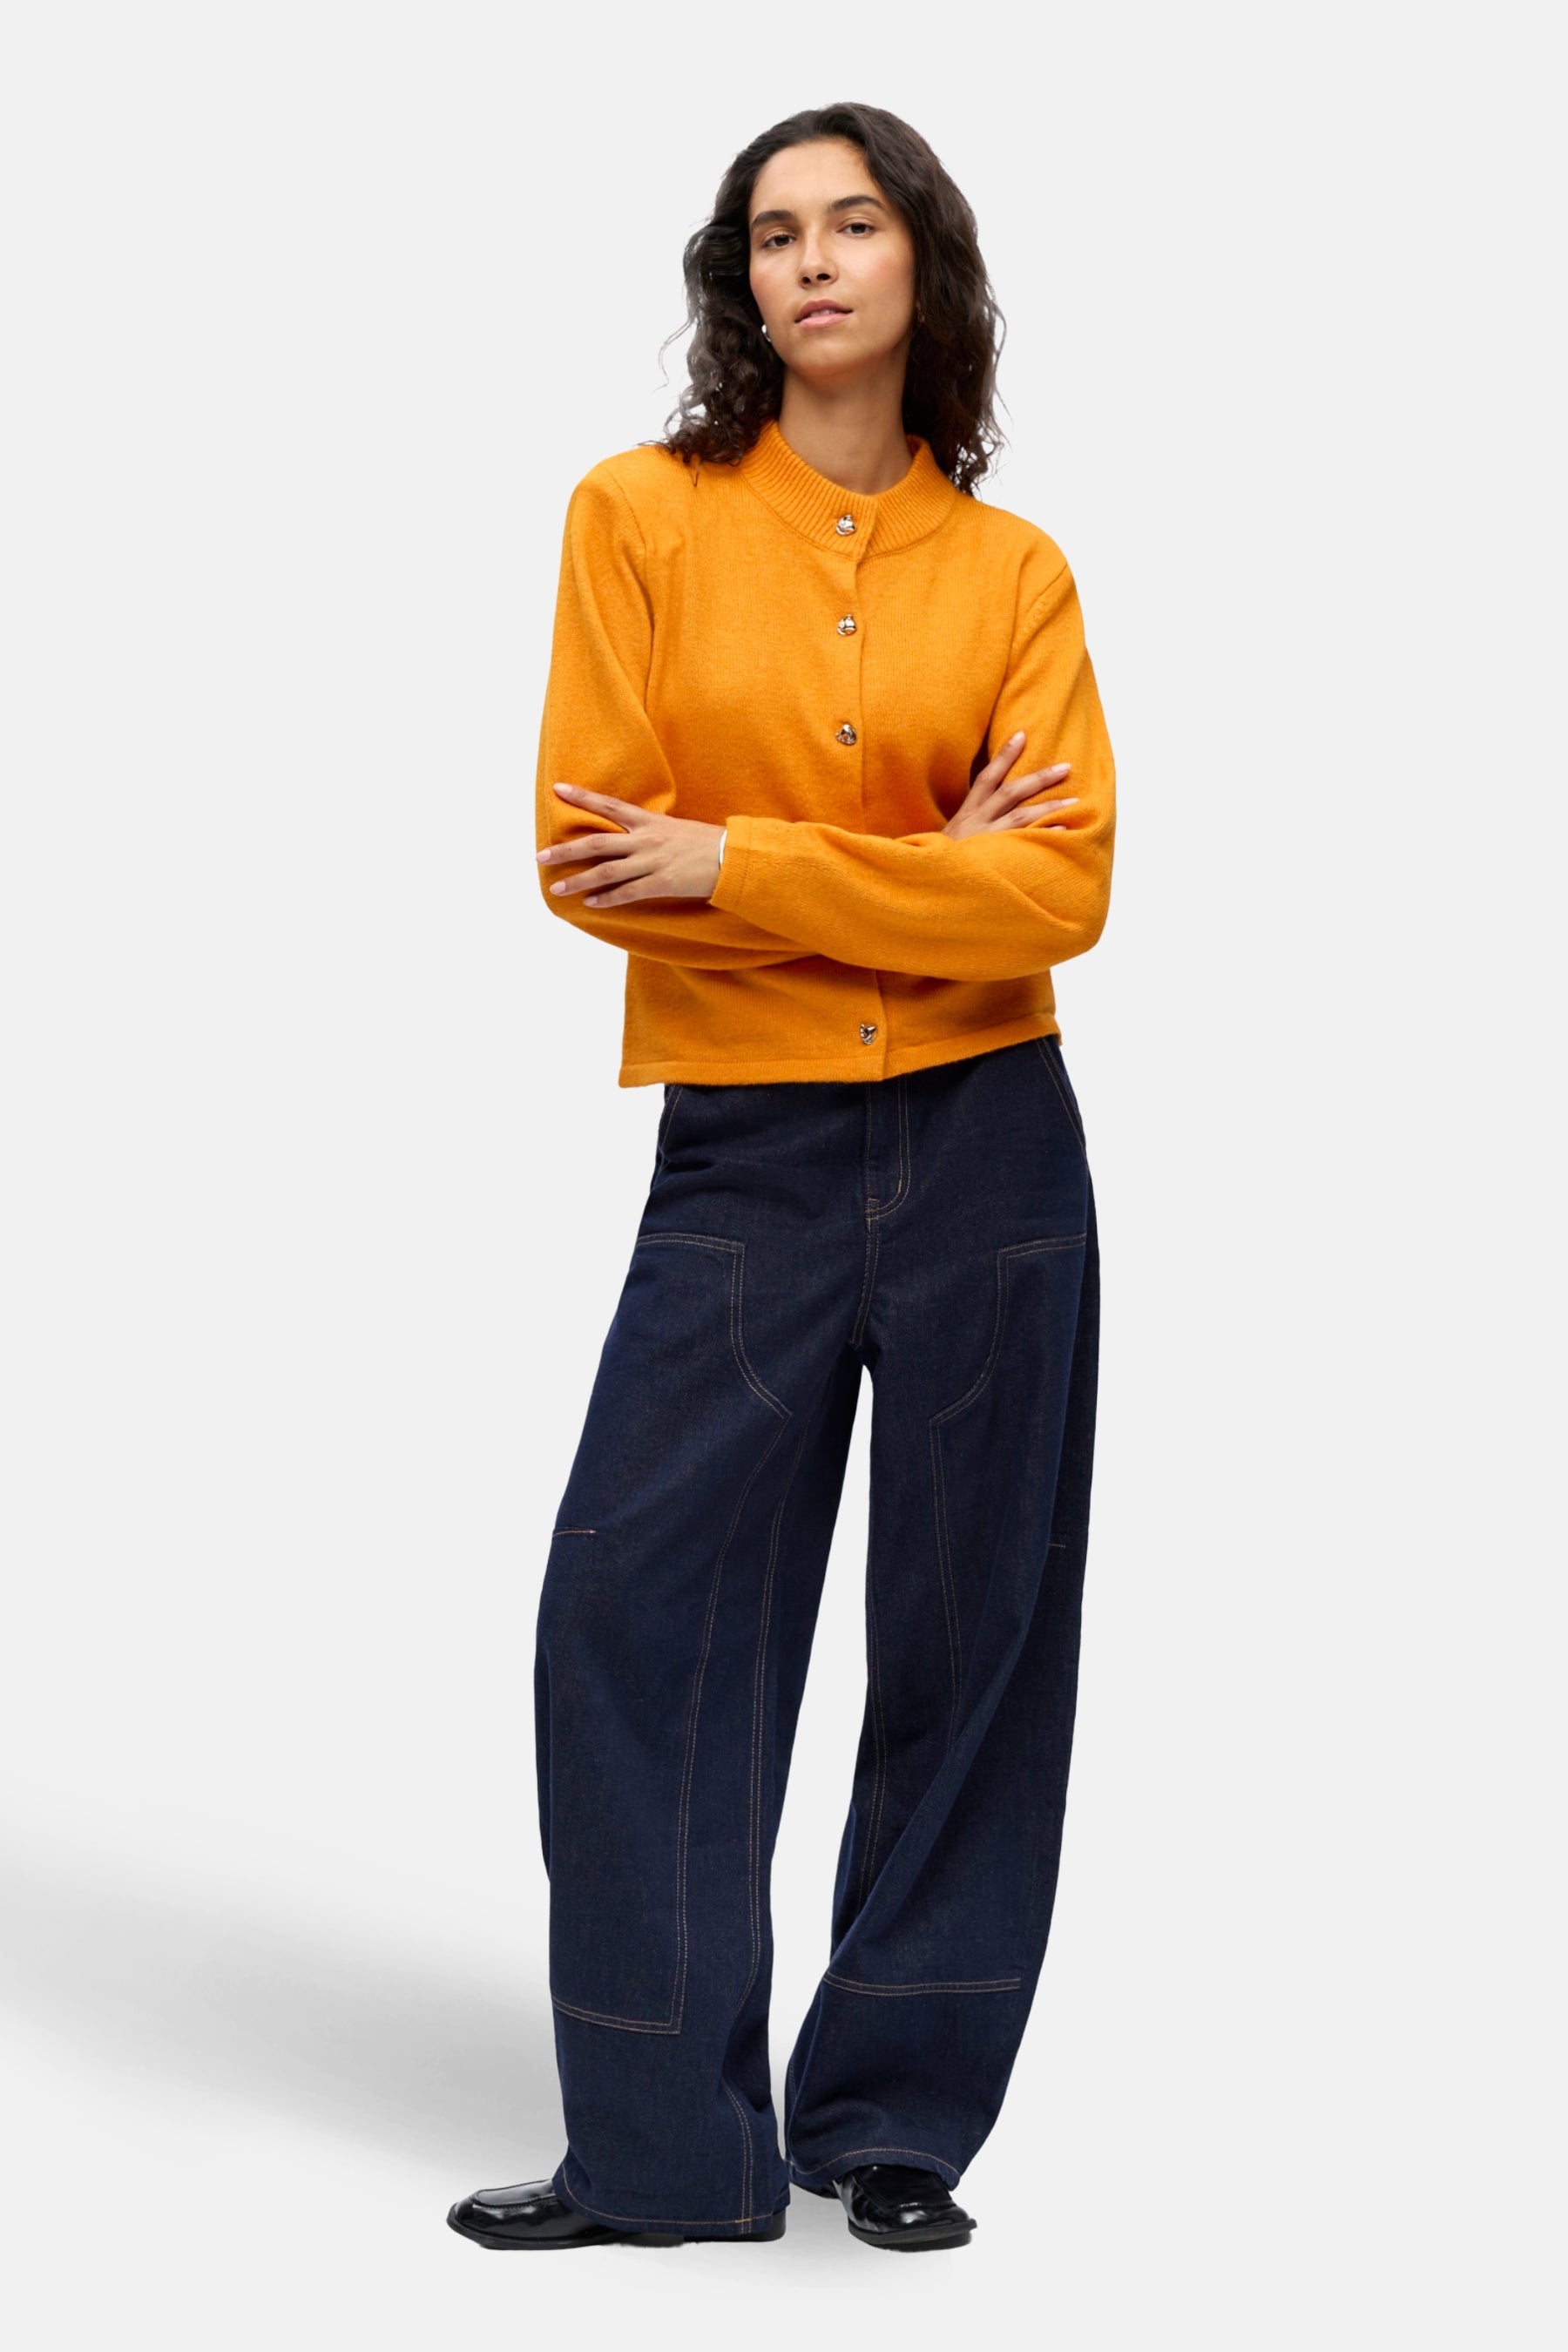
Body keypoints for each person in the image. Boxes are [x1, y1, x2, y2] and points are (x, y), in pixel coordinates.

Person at [449, 99, 1114, 2257]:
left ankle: (892, 2120)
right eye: (769, 235)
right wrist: (923, 874)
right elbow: (592, 863)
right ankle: (663, 2153)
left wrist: (738, 861)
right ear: (740, 285)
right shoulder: (636, 520)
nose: (809, 261)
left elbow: (1063, 895)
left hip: (996, 1144)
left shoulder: (1013, 575)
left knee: (972, 1639)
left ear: (926, 262)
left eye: (851, 223)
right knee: (631, 1622)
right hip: (746, 1156)